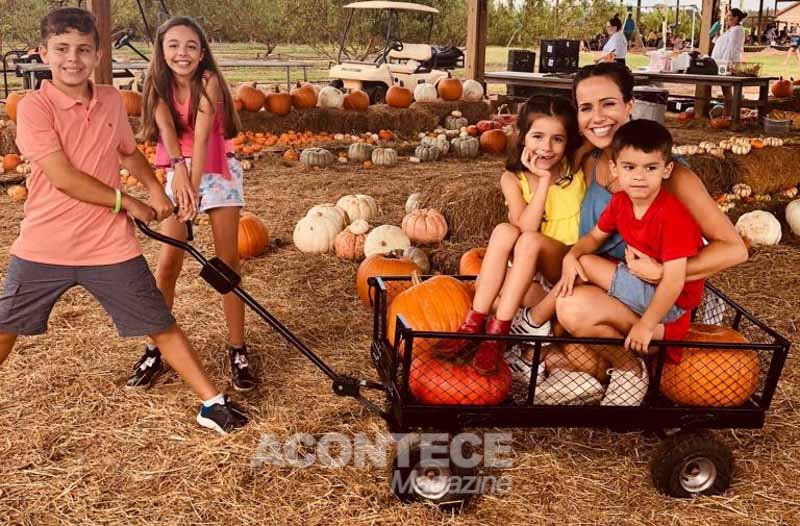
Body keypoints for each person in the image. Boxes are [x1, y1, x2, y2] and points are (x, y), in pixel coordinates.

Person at [0, 8, 248, 434]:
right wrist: (129, 203)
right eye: (61, 50)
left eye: (83, 50)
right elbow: (63, 177)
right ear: (44, 53)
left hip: (108, 244)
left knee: (158, 320)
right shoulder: (34, 108)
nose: (72, 59)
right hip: (46, 243)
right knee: (6, 326)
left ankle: (211, 403)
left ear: (98, 54)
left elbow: (128, 151)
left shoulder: (111, 99)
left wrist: (155, 191)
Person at [553, 62, 748, 383]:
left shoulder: (671, 177)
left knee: (571, 310)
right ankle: (630, 364)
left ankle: (655, 341)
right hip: (609, 286)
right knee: (581, 358)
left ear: (630, 105)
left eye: (609, 104)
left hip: (656, 293)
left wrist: (664, 272)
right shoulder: (592, 160)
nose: (597, 117)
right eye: (586, 107)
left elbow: (734, 250)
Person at [127, 17, 255, 392]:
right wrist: (179, 178)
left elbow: (201, 139)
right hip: (178, 170)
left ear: (202, 53)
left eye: (190, 46)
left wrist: (193, 191)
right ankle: (154, 348)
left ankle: (238, 349)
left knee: (226, 264)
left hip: (216, 170)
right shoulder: (156, 83)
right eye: (173, 46)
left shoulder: (208, 82)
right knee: (167, 265)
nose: (181, 53)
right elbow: (168, 132)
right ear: (162, 51)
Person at [435, 95, 586, 383]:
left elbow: (530, 236)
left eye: (557, 139)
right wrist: (540, 182)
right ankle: (475, 324)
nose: (546, 147)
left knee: (527, 241)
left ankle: (497, 335)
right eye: (538, 136)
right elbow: (524, 225)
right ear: (523, 137)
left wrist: (545, 179)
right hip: (532, 274)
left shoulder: (574, 168)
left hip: (565, 265)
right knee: (505, 231)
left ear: (568, 143)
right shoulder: (512, 179)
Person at [555, 120, 705, 406]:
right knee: (576, 283)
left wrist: (647, 325)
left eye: (650, 168)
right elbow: (595, 236)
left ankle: (637, 365)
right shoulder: (622, 202)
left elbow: (674, 281)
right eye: (629, 167)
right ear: (615, 169)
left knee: (576, 295)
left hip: (670, 305)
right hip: (641, 285)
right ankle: (624, 360)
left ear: (667, 170)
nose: (639, 177)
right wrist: (571, 256)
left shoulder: (672, 216)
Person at [711, 9, 747, 117]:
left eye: (729, 16)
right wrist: (716, 33)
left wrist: (725, 65)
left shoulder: (737, 30)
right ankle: (727, 114)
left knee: (727, 90)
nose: (727, 18)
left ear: (736, 18)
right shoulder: (731, 30)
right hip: (721, 62)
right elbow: (720, 43)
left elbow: (731, 48)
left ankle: (728, 115)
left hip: (727, 63)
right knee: (725, 90)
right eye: (727, 16)